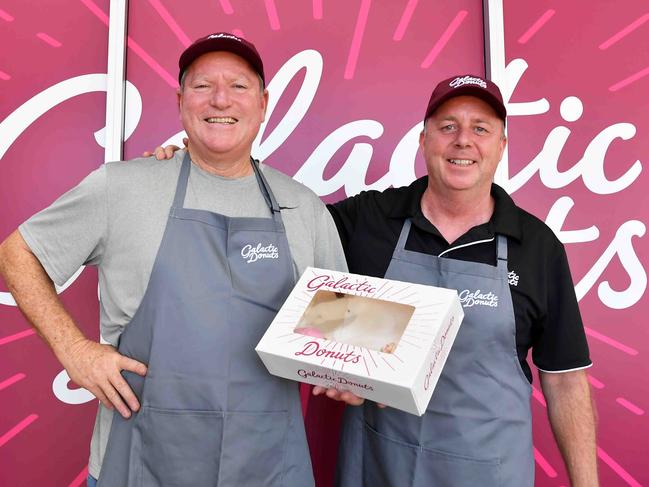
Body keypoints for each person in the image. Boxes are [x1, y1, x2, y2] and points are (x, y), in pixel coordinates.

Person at [151, 75, 599, 486]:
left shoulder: (538, 246)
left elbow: (565, 382)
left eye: (480, 128)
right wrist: (203, 166)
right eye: (447, 126)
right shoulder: (369, 219)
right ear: (423, 140)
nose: (463, 140)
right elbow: (272, 228)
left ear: (501, 145)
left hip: (488, 471)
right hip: (379, 467)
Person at [0, 32, 346, 486]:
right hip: (142, 464)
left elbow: (338, 329)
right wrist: (74, 350)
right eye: (203, 86)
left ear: (263, 104)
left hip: (268, 469)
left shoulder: (305, 208)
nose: (221, 99)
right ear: (181, 101)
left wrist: (351, 375)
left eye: (239, 86)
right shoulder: (122, 187)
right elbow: (16, 253)